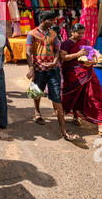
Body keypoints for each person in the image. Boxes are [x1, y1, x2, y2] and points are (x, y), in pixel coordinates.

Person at [26, 10, 77, 141]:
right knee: (36, 92)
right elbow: (28, 52)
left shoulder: (53, 33)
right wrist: (31, 69)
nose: (54, 22)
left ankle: (63, 131)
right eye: (51, 20)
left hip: (53, 70)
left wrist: (55, 61)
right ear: (43, 20)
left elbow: (57, 51)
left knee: (57, 98)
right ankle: (37, 112)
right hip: (39, 69)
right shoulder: (32, 34)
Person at [60, 23, 102, 135]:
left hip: (87, 69)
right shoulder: (66, 43)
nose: (81, 35)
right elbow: (63, 57)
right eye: (79, 33)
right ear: (72, 32)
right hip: (72, 72)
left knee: (94, 95)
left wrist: (92, 59)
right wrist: (77, 54)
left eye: (83, 33)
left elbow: (91, 53)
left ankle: (97, 121)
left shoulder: (86, 42)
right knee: (73, 94)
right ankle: (66, 114)